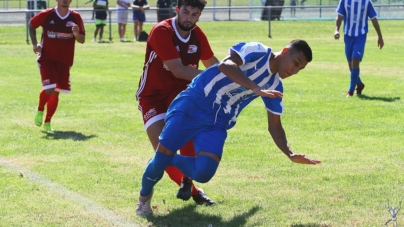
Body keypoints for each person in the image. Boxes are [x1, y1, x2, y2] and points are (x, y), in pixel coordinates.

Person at [136, 39, 321, 216]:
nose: (295, 70)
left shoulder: (275, 85)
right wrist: (255, 88)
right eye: (296, 63)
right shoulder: (257, 50)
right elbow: (226, 65)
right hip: (195, 101)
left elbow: (275, 126)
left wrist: (290, 153)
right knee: (161, 158)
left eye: (300, 68)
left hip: (218, 121)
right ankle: (144, 198)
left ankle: (164, 159)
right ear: (286, 52)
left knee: (203, 172)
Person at [135, 0, 219, 208]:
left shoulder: (198, 35)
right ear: (177, 10)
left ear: (199, 16)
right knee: (163, 153)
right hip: (152, 96)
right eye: (185, 12)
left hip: (181, 98)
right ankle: (191, 190)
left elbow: (213, 64)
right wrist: (213, 79)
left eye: (194, 14)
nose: (188, 17)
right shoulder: (161, 31)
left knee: (188, 141)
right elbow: (179, 70)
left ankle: (189, 183)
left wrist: (233, 78)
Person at [29, 0, 85, 131]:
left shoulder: (76, 17)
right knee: (50, 87)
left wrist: (77, 34)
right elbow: (32, 25)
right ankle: (40, 109)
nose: (64, 0)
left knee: (56, 92)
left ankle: (48, 122)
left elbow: (82, 39)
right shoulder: (47, 14)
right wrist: (34, 44)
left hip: (64, 62)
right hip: (46, 59)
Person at [334, 0, 384, 97]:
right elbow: (339, 16)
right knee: (350, 64)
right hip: (348, 36)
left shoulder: (366, 2)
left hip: (360, 35)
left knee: (355, 59)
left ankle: (350, 91)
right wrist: (336, 30)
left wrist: (380, 37)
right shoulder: (344, 1)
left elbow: (374, 19)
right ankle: (359, 85)